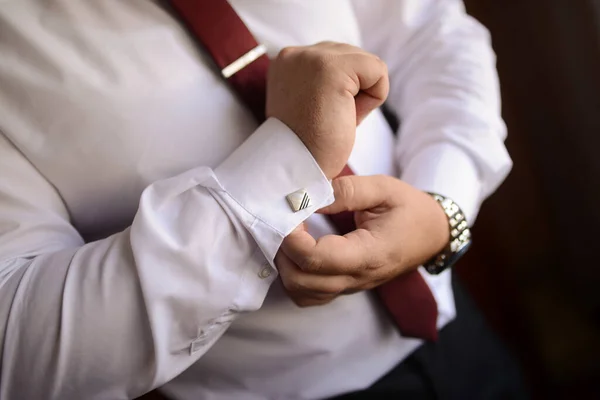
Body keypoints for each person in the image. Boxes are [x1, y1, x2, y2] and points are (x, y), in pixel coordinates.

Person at [0, 0, 525, 399]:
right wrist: (286, 159)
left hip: (462, 335)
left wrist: (443, 205)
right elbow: (20, 349)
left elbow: (431, 29)